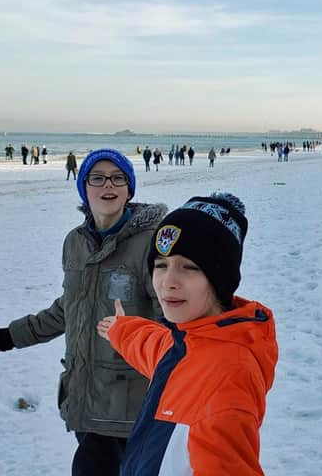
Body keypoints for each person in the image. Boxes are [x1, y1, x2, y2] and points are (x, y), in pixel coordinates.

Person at [0, 149, 168, 476]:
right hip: (84, 396)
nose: (108, 184)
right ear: (84, 188)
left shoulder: (150, 245)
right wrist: (15, 335)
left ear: (129, 188)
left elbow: (171, 322)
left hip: (129, 405)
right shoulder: (75, 242)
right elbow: (71, 307)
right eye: (97, 177)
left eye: (118, 177)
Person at [97, 193, 278, 476]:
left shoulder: (229, 375)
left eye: (190, 268)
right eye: (160, 266)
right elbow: (151, 345)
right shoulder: (183, 342)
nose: (168, 282)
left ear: (219, 279)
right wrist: (122, 330)